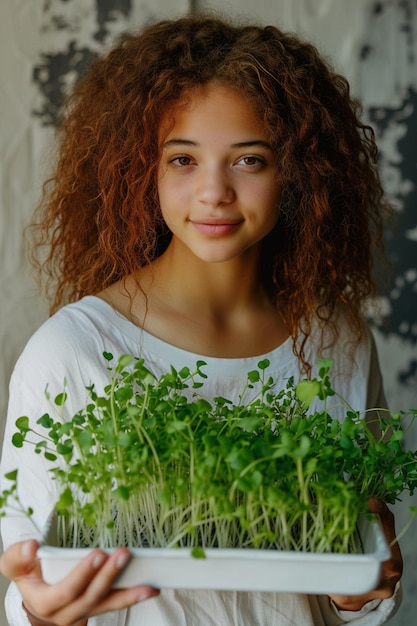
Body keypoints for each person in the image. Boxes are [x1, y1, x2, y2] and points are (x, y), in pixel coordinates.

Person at [0, 13, 403, 626]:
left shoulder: (338, 340)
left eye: (249, 161)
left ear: (297, 173)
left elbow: (356, 593)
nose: (214, 192)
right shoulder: (73, 352)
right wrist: (45, 613)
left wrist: (361, 593)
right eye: (183, 160)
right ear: (143, 171)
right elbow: (33, 587)